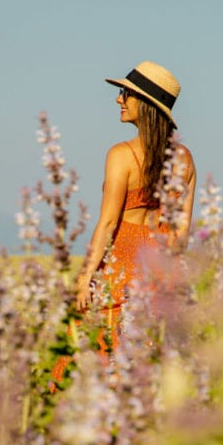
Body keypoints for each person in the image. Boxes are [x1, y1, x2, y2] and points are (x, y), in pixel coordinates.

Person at [76, 60, 196, 325]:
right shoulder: (185, 159)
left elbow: (107, 223)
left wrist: (85, 277)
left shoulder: (120, 155)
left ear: (145, 103)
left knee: (99, 350)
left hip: (117, 270)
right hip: (159, 272)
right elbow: (182, 234)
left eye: (126, 94)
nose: (119, 100)